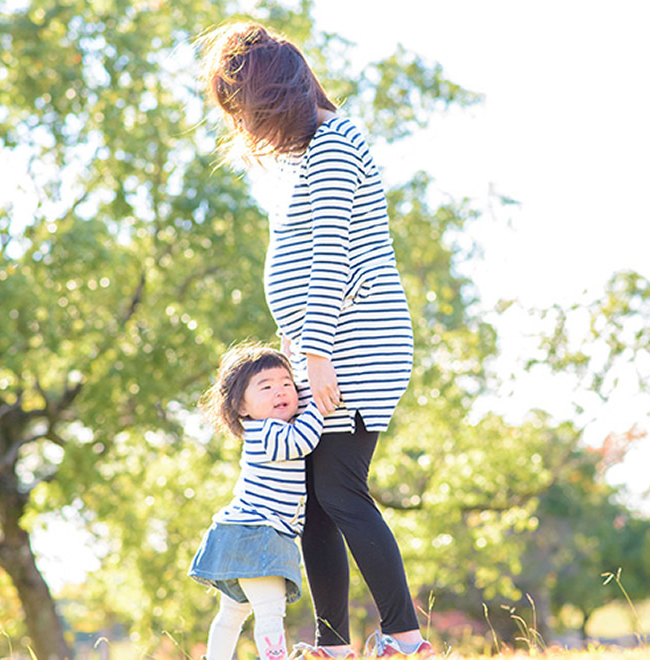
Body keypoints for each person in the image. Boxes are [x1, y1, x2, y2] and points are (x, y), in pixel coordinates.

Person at [199, 21, 433, 659]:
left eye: (248, 110)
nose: (249, 128)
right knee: (314, 500)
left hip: (352, 343)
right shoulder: (314, 151)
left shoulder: (333, 144)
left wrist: (318, 353)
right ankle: (333, 645)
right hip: (327, 343)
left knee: (338, 489)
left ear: (276, 96)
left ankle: (405, 638)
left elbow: (331, 258)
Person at [188, 342, 325, 660]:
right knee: (270, 611)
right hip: (258, 533)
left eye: (286, 384)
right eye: (266, 387)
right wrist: (318, 402)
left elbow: (296, 408)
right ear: (241, 407)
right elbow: (301, 441)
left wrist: (296, 365)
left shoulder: (270, 425)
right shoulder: (264, 433)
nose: (281, 392)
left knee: (233, 614)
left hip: (242, 531)